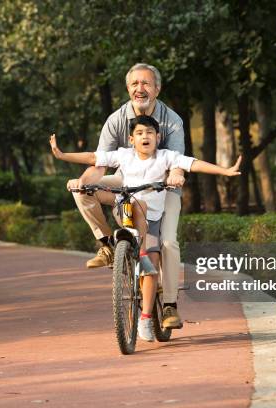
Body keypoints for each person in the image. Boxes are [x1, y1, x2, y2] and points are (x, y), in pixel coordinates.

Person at [50, 115, 241, 341]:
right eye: (140, 133)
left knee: (152, 262)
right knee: (86, 191)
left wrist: (224, 171)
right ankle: (110, 245)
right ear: (131, 139)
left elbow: (193, 163)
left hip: (151, 220)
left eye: (150, 133)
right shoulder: (124, 155)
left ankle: (146, 318)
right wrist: (63, 156)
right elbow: (93, 157)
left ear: (158, 137)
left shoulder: (165, 157)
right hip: (126, 211)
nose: (145, 137)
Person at [69, 63, 188, 330]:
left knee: (167, 243)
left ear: (157, 89)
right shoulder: (115, 120)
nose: (140, 89)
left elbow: (178, 160)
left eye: (146, 84)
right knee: (82, 190)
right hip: (129, 180)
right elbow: (100, 163)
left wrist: (176, 175)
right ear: (127, 88)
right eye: (135, 84)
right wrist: (83, 181)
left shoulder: (172, 120)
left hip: (163, 185)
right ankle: (106, 244)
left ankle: (169, 304)